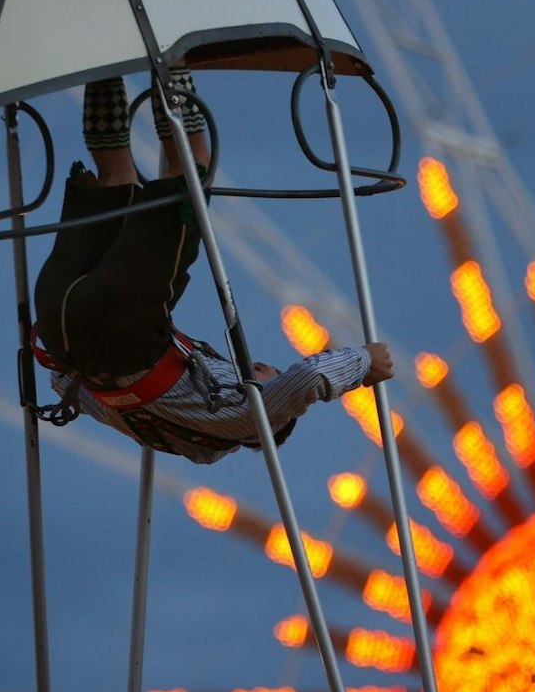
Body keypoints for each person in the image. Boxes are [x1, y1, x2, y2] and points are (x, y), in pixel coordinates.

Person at [32, 70, 393, 464]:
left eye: (271, 373)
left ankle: (169, 61)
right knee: (115, 178)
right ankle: (104, 64)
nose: (261, 366)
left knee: (191, 170)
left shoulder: (249, 421)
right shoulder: (169, 428)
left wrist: (364, 362)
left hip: (124, 330)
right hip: (60, 324)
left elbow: (305, 379)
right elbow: (69, 388)